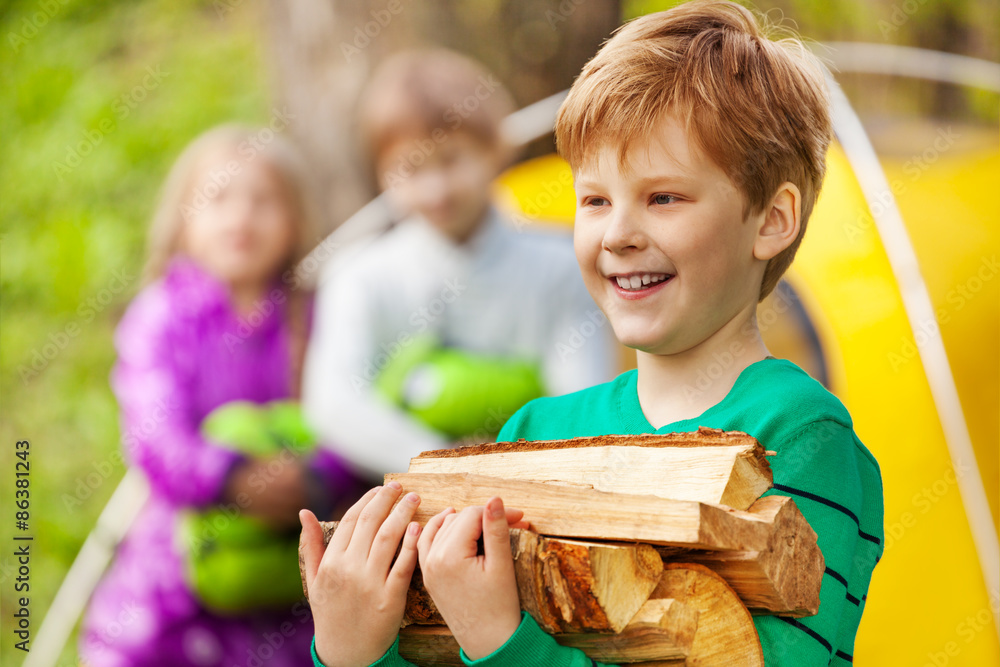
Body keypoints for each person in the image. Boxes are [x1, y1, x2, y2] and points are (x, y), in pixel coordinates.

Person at [301, 2, 884, 666]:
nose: (618, 233)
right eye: (595, 200)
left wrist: (505, 643)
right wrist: (351, 650)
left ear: (772, 220)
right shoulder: (532, 438)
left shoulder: (799, 434)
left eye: (663, 197)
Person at [80, 125, 361, 667]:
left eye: (262, 200)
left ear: (296, 219)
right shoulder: (161, 318)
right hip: (180, 571)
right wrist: (232, 476)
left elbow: (351, 418)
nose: (241, 217)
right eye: (218, 198)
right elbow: (154, 438)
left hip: (291, 566)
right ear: (182, 220)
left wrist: (316, 477)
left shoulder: (318, 314)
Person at [301, 49, 617, 481]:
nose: (435, 190)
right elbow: (334, 404)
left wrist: (512, 472)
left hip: (539, 497)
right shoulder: (358, 276)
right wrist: (445, 466)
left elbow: (582, 399)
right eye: (409, 170)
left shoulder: (562, 266)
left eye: (452, 161)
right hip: (404, 513)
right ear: (379, 174)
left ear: (495, 150)